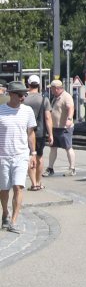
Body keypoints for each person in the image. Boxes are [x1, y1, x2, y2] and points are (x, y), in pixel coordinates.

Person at [1, 81, 37, 232]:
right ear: (11, 94)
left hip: (21, 155)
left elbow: (31, 133)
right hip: (2, 156)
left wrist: (33, 153)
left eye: (25, 94)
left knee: (18, 187)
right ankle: (5, 213)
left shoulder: (28, 111)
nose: (23, 97)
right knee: (4, 189)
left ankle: (14, 221)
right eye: (21, 94)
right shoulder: (1, 110)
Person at [45, 78, 76, 176]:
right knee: (53, 148)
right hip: (55, 127)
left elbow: (71, 108)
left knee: (68, 147)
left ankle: (72, 168)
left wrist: (69, 119)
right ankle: (50, 168)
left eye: (52, 88)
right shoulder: (55, 97)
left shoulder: (66, 96)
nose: (51, 90)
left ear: (56, 88)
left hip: (64, 128)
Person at [22, 77, 47, 191]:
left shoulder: (24, 99)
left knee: (30, 157)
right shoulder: (44, 99)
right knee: (39, 157)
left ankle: (33, 183)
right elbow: (48, 117)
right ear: (39, 85)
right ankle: (38, 182)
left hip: (26, 132)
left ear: (28, 84)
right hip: (40, 132)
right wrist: (51, 134)